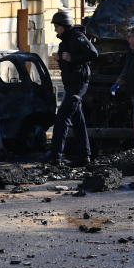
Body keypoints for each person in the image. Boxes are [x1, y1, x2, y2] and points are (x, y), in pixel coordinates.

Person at [50, 10, 98, 165]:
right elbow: (67, 64)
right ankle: (85, 156)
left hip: (78, 83)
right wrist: (59, 59)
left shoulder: (77, 37)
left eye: (56, 26)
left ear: (64, 26)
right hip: (70, 83)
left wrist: (73, 58)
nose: (55, 29)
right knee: (78, 121)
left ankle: (55, 157)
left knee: (62, 117)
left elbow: (93, 53)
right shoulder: (64, 41)